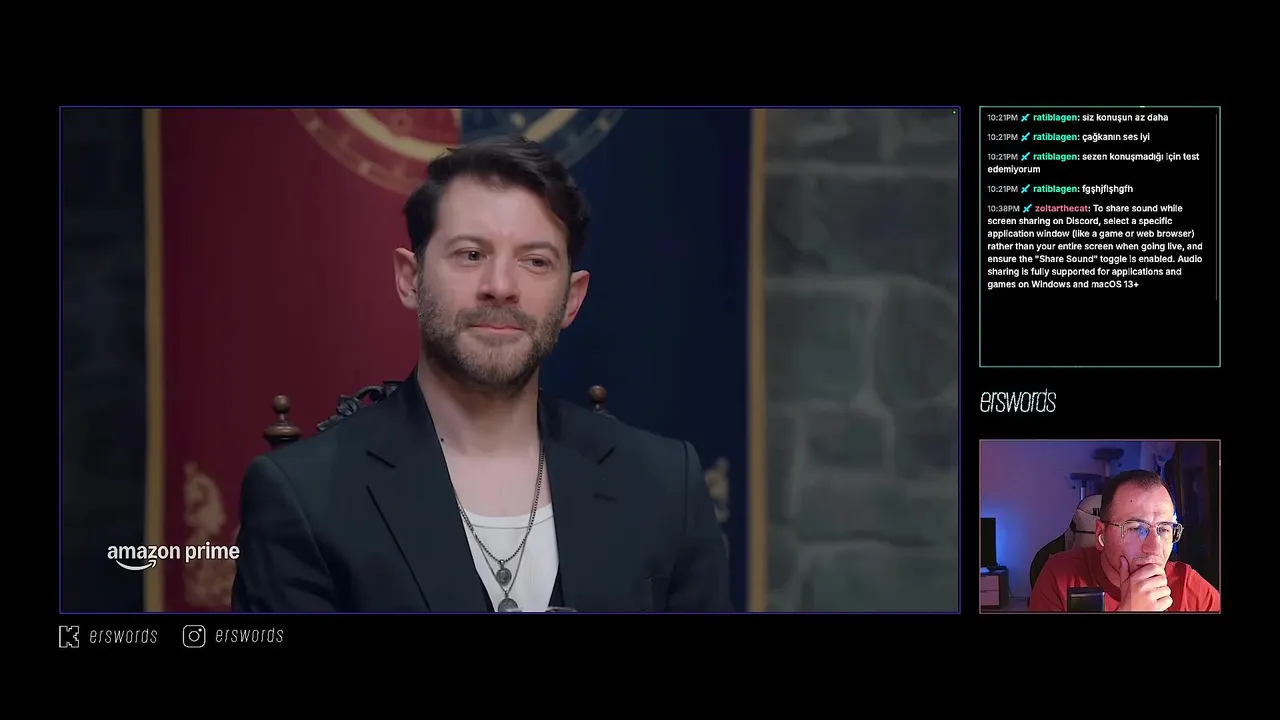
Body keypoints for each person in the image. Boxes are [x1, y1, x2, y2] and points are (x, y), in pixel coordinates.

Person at [231, 136, 732, 613]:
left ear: (572, 299)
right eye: (471, 255)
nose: (500, 286)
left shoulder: (667, 485)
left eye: (535, 261)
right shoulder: (304, 495)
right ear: (410, 279)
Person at [1029, 469, 1219, 612]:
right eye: (1136, 528)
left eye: (1163, 529)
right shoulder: (1059, 576)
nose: (1154, 548)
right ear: (1101, 535)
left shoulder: (1189, 588)